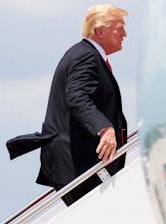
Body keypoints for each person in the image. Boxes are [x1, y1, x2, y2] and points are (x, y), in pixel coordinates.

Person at [35, 4, 129, 206]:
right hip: (80, 163)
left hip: (77, 162)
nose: (125, 34)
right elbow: (77, 97)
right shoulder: (85, 56)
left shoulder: (84, 55)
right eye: (120, 28)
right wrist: (104, 129)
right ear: (100, 31)